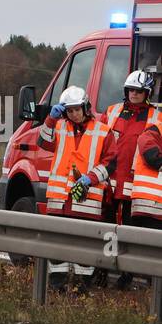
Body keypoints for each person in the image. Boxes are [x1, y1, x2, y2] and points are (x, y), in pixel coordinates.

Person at [37, 85, 111, 291]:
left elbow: (110, 162)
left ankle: (82, 288)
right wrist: (50, 119)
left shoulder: (103, 131)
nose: (74, 114)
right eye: (69, 111)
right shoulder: (59, 127)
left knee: (84, 248)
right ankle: (57, 286)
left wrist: (91, 178)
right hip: (59, 200)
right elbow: (43, 141)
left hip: (87, 201)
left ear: (85, 107)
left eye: (77, 109)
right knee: (57, 247)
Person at [94, 70, 158, 287]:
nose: (134, 94)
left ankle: (128, 274)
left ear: (147, 93)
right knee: (106, 231)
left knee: (130, 234)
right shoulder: (112, 112)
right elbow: (96, 140)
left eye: (139, 91)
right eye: (131, 90)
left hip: (136, 187)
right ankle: (102, 271)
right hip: (109, 185)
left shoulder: (155, 117)